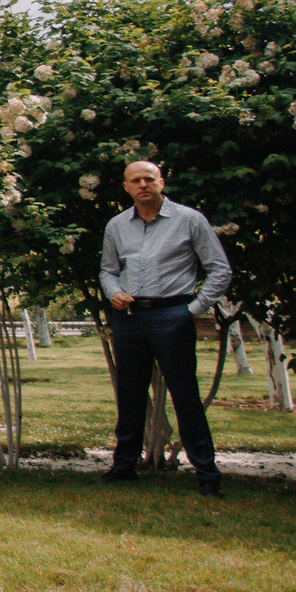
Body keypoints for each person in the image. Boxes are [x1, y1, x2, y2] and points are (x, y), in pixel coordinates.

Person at [97, 161, 233, 495]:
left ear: (161, 182)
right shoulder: (117, 225)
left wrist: (192, 310)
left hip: (173, 316)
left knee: (185, 395)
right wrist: (114, 293)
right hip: (131, 318)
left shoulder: (189, 220)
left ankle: (207, 472)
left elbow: (219, 270)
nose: (142, 185)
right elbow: (107, 270)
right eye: (135, 180)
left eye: (148, 179)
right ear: (127, 187)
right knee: (129, 394)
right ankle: (124, 466)